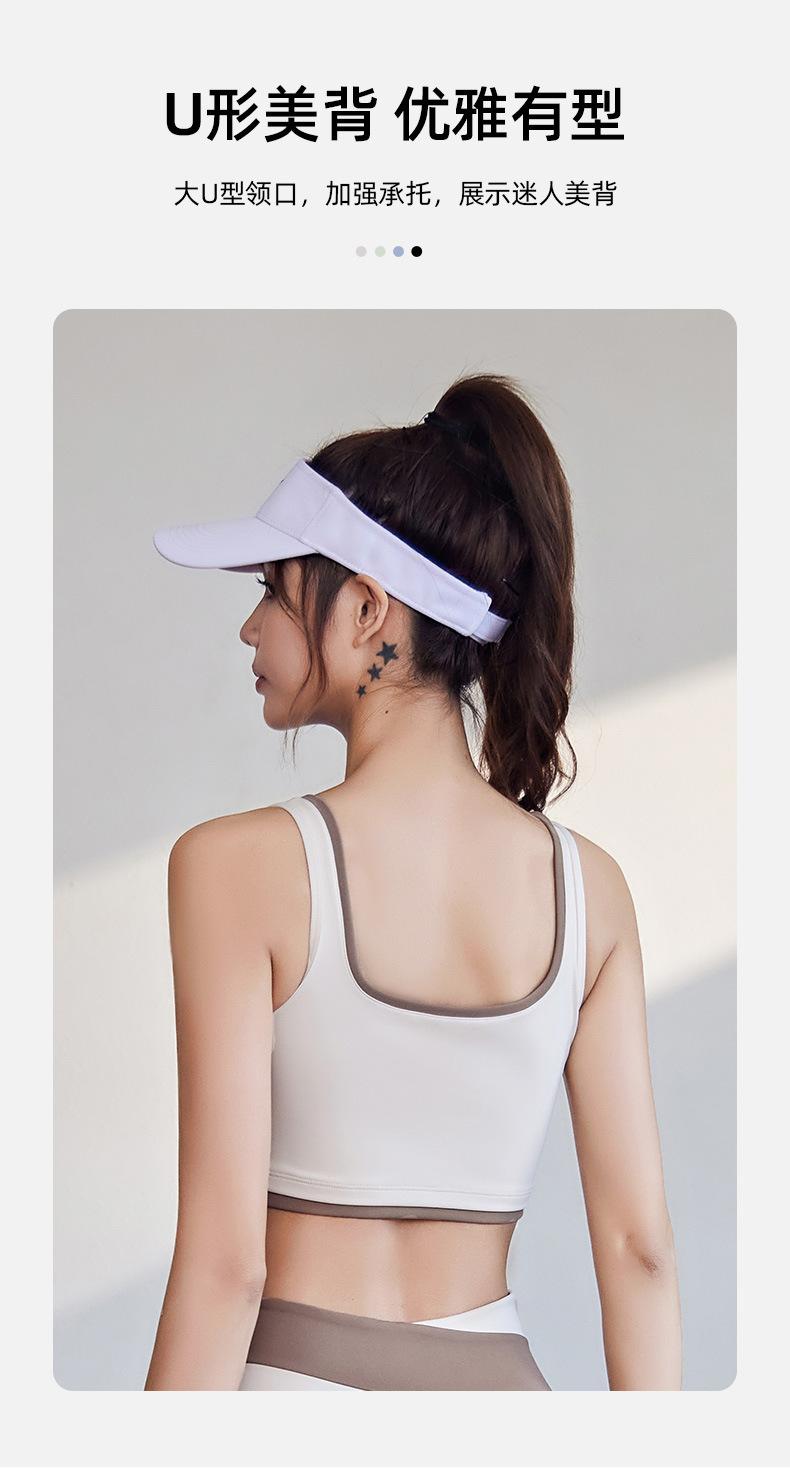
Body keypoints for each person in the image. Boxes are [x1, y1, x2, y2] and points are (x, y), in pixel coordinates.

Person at [144, 371, 682, 1390]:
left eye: (270, 588)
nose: (250, 629)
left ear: (366, 608)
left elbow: (225, 1267)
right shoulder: (591, 892)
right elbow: (640, 1251)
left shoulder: (232, 867)